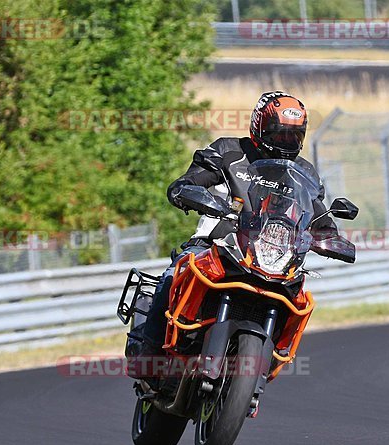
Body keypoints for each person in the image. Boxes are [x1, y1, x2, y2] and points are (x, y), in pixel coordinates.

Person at [140, 91, 337, 357]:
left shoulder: (305, 173)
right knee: (173, 274)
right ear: (260, 126)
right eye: (279, 133)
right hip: (216, 244)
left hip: (273, 255)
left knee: (299, 294)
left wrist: (329, 237)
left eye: (294, 135)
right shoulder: (228, 151)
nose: (286, 141)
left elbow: (318, 213)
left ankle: (261, 369)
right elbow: (192, 179)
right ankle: (148, 355)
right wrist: (186, 190)